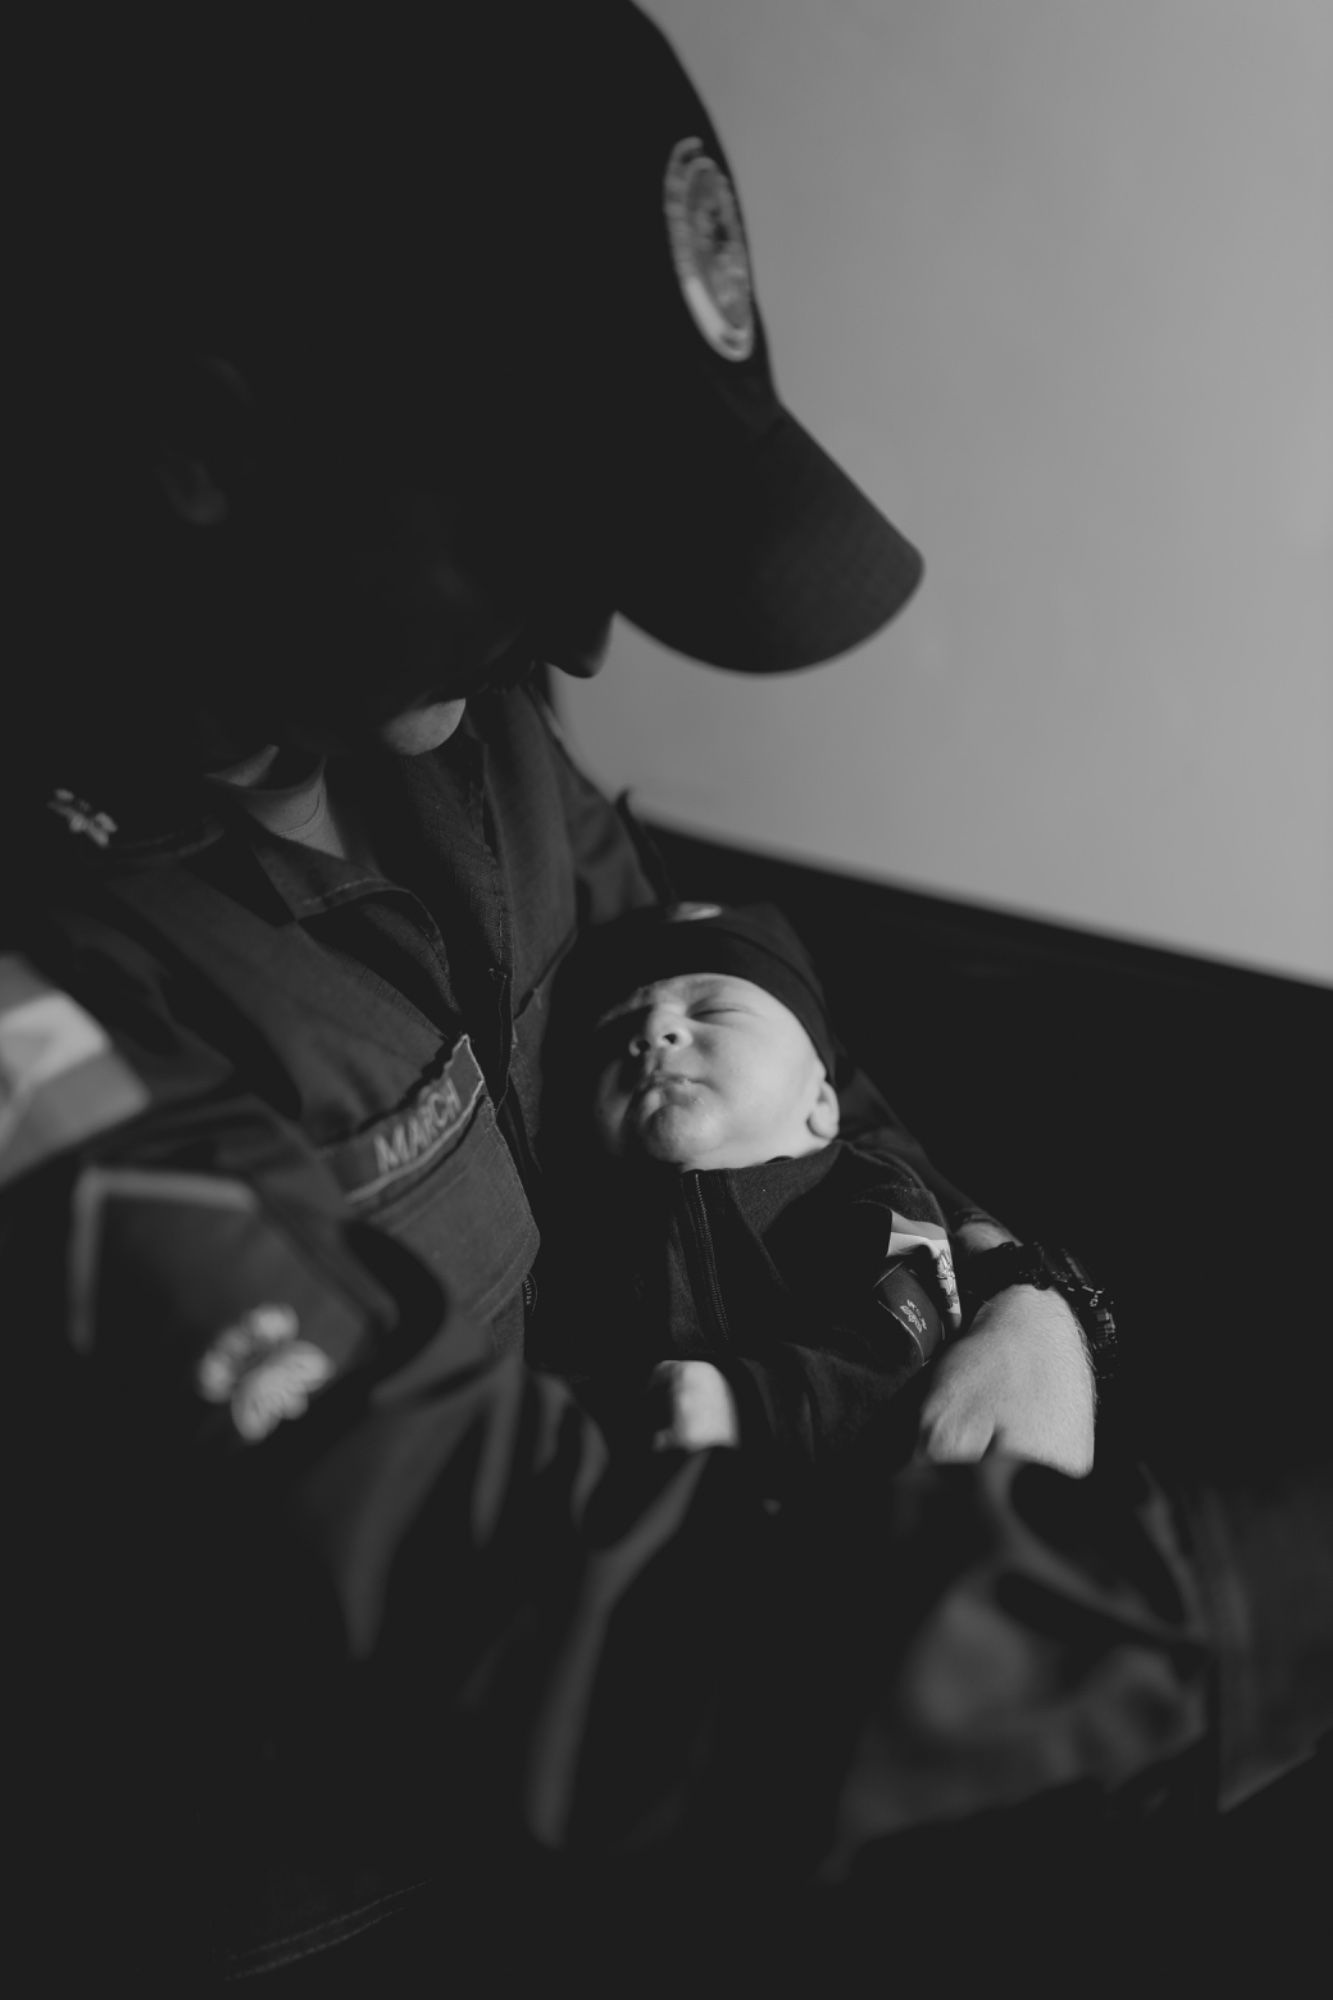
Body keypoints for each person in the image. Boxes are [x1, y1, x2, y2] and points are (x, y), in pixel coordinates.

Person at [5, 4, 1329, 1990]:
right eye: (537, 528)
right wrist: (1262, 1589)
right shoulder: (55, 1006)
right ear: (201, 451)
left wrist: (1021, 1283)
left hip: (741, 1712)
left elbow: (777, 1063)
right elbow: (523, 1621)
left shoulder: (454, 739)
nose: (590, 638)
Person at [533, 897, 995, 1481]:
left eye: (714, 1010)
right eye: (618, 1029)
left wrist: (749, 1403)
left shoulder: (872, 1194)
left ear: (822, 1103)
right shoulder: (574, 1225)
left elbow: (909, 1336)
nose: (652, 1032)